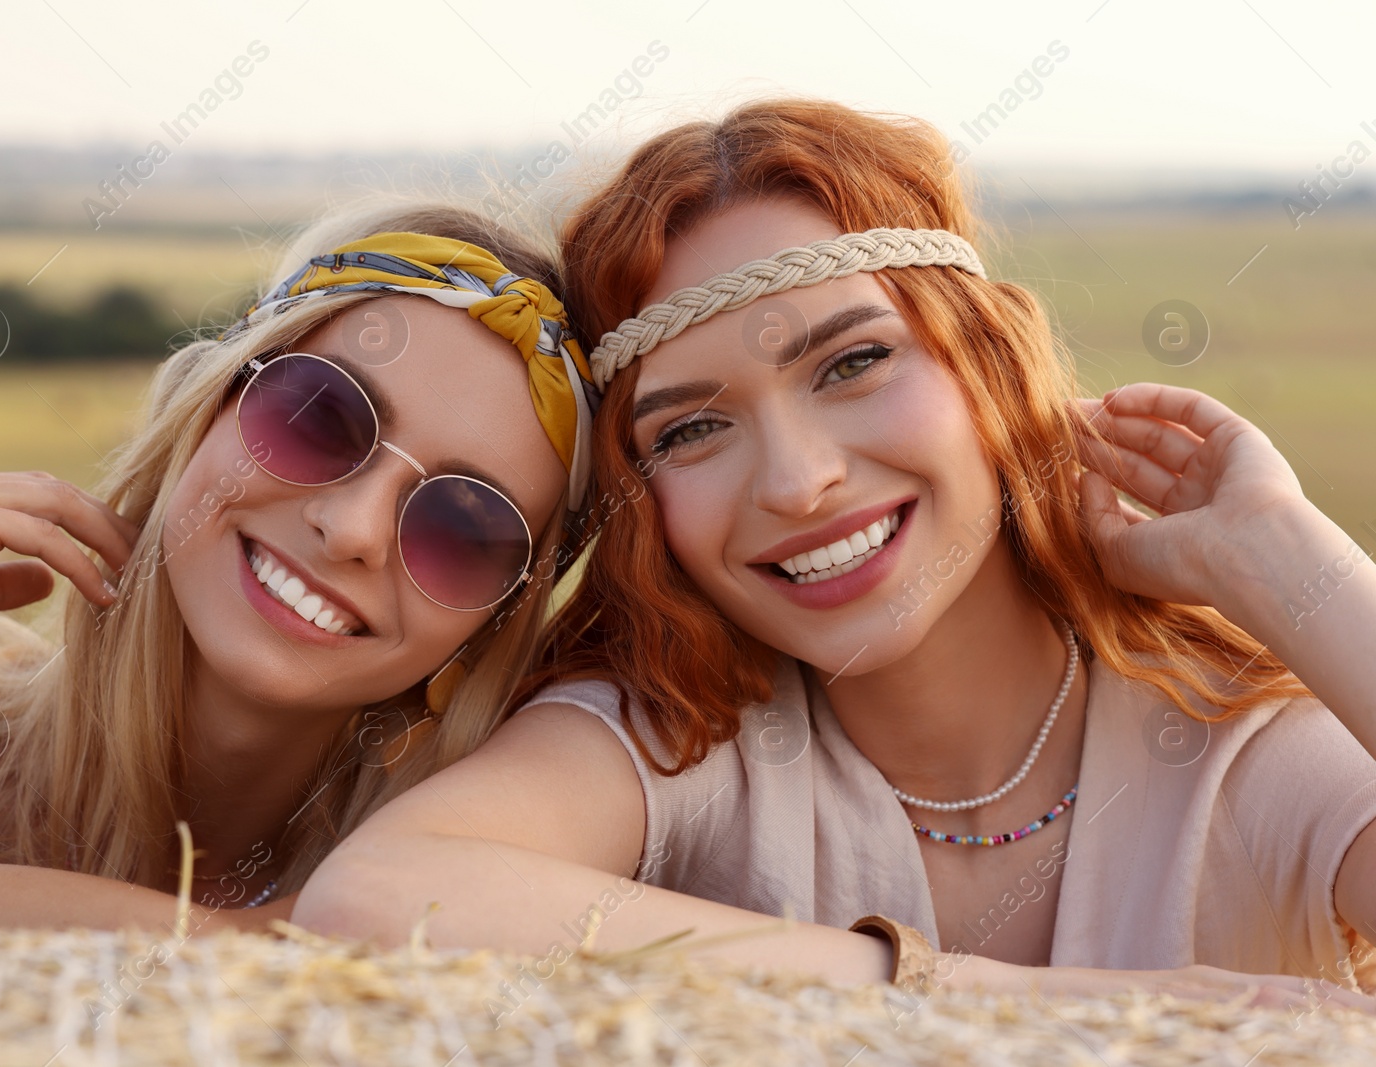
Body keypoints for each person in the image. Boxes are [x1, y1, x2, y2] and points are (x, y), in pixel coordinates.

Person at [291, 100, 1376, 1003]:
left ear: (986, 366)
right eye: (690, 429)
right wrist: (1005, 1003)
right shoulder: (688, 741)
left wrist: (1283, 564)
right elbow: (380, 896)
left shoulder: (1234, 755)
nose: (795, 479)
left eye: (852, 362)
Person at [0, 200, 598, 930]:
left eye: (465, 526)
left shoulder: (469, 881)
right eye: (317, 415)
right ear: (203, 407)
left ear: (496, 624)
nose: (352, 528)